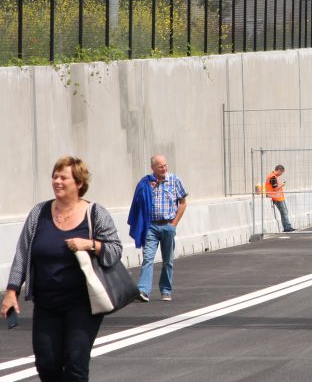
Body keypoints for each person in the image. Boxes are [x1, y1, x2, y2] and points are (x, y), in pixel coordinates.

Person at [2, 157, 123, 382]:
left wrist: (90, 244)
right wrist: (11, 291)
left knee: (76, 364)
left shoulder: (95, 213)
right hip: (46, 304)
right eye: (55, 176)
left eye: (63, 177)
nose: (57, 181)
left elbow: (115, 250)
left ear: (78, 183)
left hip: (83, 304)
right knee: (46, 364)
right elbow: (23, 252)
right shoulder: (39, 213)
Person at [129, 154, 187, 302]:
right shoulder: (146, 182)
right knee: (148, 258)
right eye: (160, 166)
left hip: (168, 225)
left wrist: (174, 223)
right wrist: (147, 190)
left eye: (165, 165)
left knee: (168, 260)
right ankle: (144, 291)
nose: (164, 168)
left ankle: (166, 290)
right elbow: (137, 201)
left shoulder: (174, 180)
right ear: (153, 167)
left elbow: (183, 202)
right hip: (151, 227)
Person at [264, 164, 295, 232]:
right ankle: (287, 227)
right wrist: (282, 185)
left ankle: (287, 226)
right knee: (284, 212)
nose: (281, 174)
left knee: (284, 212)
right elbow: (275, 189)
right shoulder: (272, 177)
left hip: (278, 198)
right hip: (276, 198)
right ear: (279, 170)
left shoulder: (273, 176)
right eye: (281, 172)